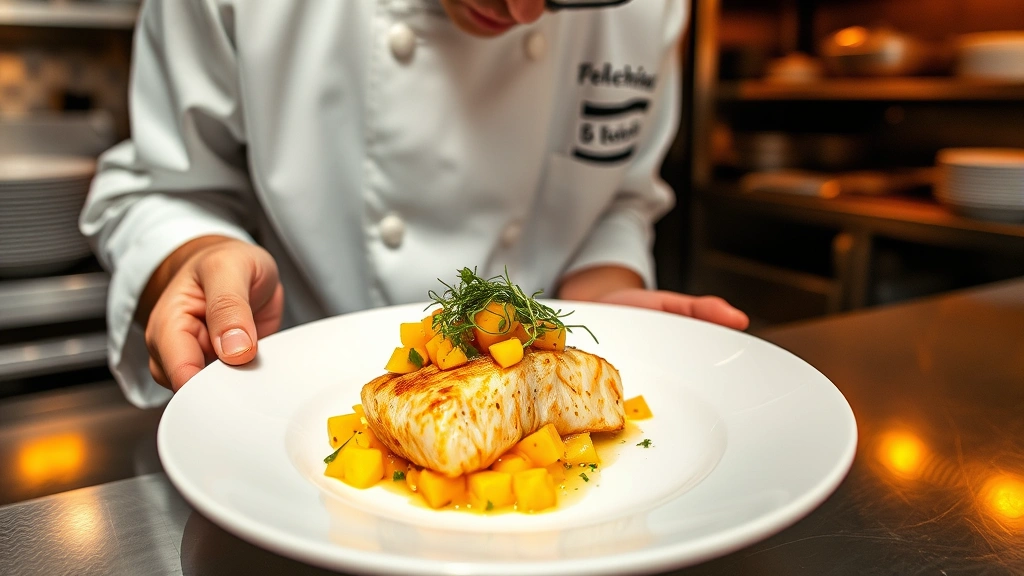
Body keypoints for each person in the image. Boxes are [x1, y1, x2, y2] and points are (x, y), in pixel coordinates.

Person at [81, 0, 749, 408]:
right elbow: (162, 187)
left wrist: (602, 285)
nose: (521, 11)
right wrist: (196, 257)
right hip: (285, 410)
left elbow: (619, 194)